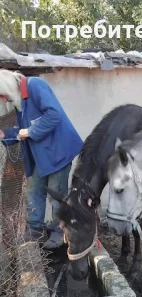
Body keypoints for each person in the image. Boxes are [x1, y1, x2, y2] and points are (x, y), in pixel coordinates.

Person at [0, 69, 83, 249]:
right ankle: (35, 230)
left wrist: (30, 132)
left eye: (2, 96)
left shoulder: (35, 86)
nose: (4, 100)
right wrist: (4, 134)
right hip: (41, 155)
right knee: (34, 191)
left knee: (56, 194)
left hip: (57, 152)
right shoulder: (19, 100)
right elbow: (22, 130)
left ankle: (59, 231)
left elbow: (54, 114)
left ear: (7, 87)